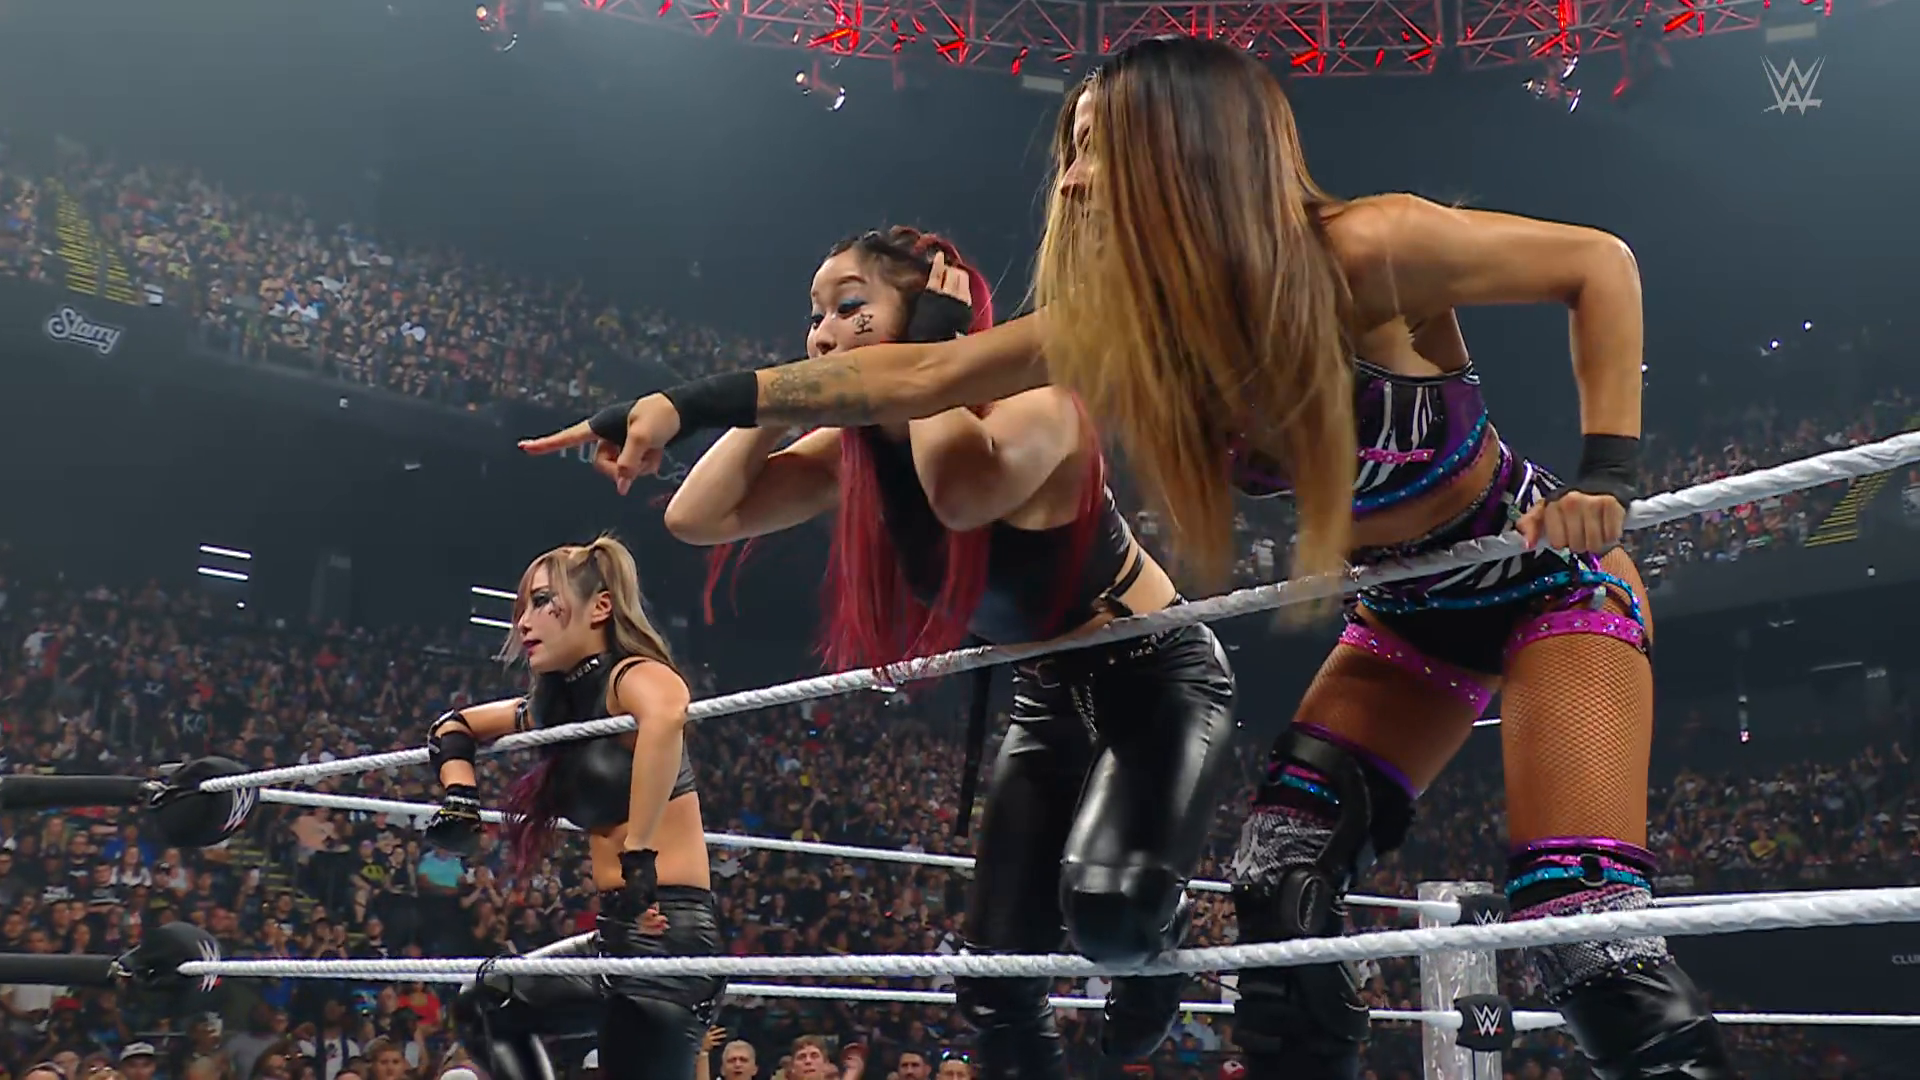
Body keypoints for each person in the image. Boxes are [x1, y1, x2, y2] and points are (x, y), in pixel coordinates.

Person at [522, 38, 1730, 1080]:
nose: (1074, 175)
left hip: (1539, 580)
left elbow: (1596, 265)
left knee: (1583, 936)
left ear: (1189, 149)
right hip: (1403, 622)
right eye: (1073, 149)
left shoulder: (1366, 248)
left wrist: (1608, 477)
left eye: (1102, 146)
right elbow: (926, 374)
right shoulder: (1122, 330)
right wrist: (681, 404)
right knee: (1278, 888)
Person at [655, 227, 1238, 1075]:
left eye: (849, 308)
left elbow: (962, 496)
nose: (821, 334)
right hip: (1047, 696)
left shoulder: (1036, 406)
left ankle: (1159, 941)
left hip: (1156, 677)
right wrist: (784, 401)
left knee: (1111, 916)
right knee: (994, 987)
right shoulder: (856, 451)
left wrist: (933, 357)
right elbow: (695, 516)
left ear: (928, 311)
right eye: (814, 317)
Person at [423, 536, 721, 1080]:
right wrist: (461, 797)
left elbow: (667, 713)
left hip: (667, 937)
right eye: (522, 608)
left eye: (542, 602)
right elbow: (453, 726)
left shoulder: (629, 677)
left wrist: (639, 859)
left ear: (600, 608)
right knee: (485, 1002)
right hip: (613, 937)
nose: (523, 622)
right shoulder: (555, 709)